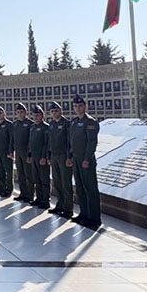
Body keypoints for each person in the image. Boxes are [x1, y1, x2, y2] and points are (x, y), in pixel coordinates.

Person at [68, 95, 101, 229]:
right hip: (76, 159)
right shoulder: (74, 122)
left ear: (85, 106)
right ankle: (84, 214)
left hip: (85, 159)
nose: (78, 108)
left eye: (80, 106)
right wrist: (70, 157)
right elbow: (72, 141)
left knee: (90, 189)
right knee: (80, 188)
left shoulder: (90, 122)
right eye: (75, 106)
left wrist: (87, 159)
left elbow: (91, 142)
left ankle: (94, 218)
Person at [47, 101, 72, 217]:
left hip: (63, 156)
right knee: (57, 182)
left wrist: (68, 157)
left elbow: (69, 142)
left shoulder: (67, 124)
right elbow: (49, 142)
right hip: (54, 156)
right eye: (52, 111)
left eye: (56, 110)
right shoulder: (51, 125)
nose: (54, 113)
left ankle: (68, 208)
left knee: (66, 182)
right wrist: (48, 156)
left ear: (61, 111)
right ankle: (60, 205)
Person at [27, 104, 51, 209]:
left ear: (42, 116)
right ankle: (39, 198)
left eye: (38, 115)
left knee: (44, 180)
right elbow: (30, 143)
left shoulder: (46, 127)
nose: (36, 117)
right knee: (36, 179)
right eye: (34, 115)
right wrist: (29, 155)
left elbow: (47, 144)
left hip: (42, 158)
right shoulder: (32, 127)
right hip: (34, 158)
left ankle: (46, 201)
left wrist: (44, 157)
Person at [12, 103, 33, 203]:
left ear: (26, 112)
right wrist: (11, 151)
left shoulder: (30, 124)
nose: (20, 114)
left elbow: (31, 140)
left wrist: (29, 154)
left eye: (22, 112)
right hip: (18, 152)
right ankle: (23, 193)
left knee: (28, 174)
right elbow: (12, 139)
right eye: (18, 112)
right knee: (21, 174)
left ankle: (30, 195)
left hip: (26, 152)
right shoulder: (15, 124)